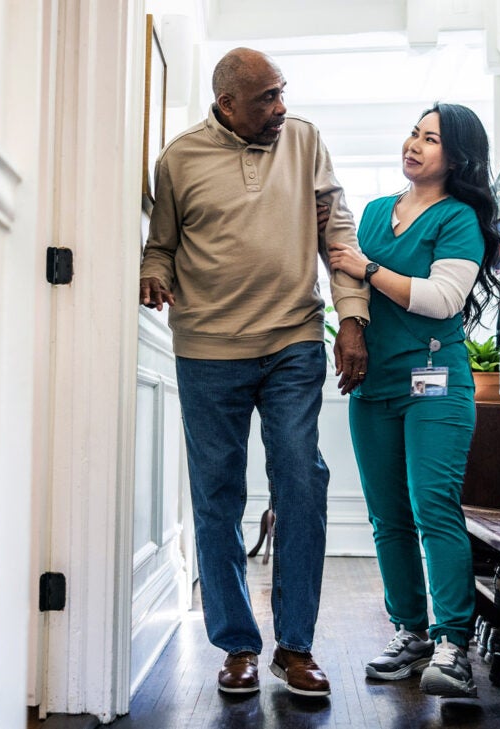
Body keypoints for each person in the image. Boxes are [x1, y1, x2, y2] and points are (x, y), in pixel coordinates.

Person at [140, 47, 370, 698]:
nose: (281, 107)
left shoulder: (304, 142)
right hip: (208, 348)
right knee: (216, 497)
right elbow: (160, 243)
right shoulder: (178, 159)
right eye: (267, 98)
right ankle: (238, 644)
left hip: (293, 337)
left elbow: (339, 232)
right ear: (226, 106)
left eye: (282, 91)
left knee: (302, 478)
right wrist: (153, 270)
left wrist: (351, 317)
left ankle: (295, 645)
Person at [327, 102, 500, 699]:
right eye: (413, 133)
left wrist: (365, 266)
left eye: (431, 139)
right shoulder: (375, 212)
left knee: (434, 509)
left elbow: (441, 299)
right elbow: (343, 278)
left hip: (435, 383)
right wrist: (350, 311)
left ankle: (453, 642)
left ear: (456, 157)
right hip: (372, 386)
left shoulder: (459, 219)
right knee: (387, 518)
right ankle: (410, 632)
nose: (415, 145)